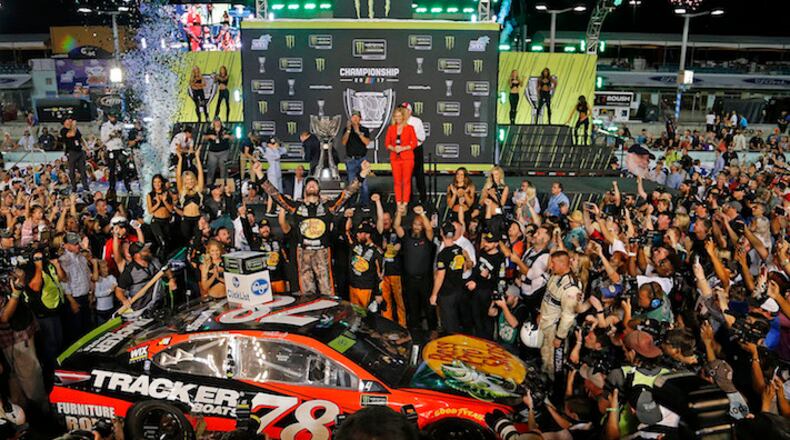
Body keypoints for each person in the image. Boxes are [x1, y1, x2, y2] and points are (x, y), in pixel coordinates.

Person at [255, 159, 370, 296]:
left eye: (314, 184)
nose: (311, 185)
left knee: (326, 289)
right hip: (303, 252)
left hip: (322, 251)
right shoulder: (296, 207)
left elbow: (347, 194)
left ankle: (328, 308)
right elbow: (276, 196)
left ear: (319, 191)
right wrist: (259, 174)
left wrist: (362, 174)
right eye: (308, 184)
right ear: (304, 191)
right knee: (307, 292)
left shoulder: (328, 207)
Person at [0, 272, 48, 415]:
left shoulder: (5, 275)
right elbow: (3, 317)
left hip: (25, 332)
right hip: (15, 340)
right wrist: (16, 293)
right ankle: (42, 416)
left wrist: (19, 278)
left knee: (17, 379)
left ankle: (25, 415)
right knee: (31, 381)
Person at [538, 251, 581, 377]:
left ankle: (554, 385)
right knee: (545, 355)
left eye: (553, 263)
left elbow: (568, 316)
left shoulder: (571, 288)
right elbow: (547, 298)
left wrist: (560, 337)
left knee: (553, 362)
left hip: (555, 329)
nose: (550, 266)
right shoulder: (556, 276)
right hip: (546, 323)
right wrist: (541, 313)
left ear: (563, 264)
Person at [394, 204, 435, 335]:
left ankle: (433, 331)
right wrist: (399, 213)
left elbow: (429, 229)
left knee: (429, 307)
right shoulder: (406, 236)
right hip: (410, 280)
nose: (417, 227)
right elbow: (396, 226)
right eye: (415, 224)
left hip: (425, 280)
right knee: (412, 308)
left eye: (420, 225)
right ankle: (414, 333)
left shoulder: (427, 238)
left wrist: (422, 214)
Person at [430, 222, 469, 334]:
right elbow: (465, 268)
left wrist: (434, 294)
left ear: (442, 233)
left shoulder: (443, 254)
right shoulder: (460, 249)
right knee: (457, 321)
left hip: (446, 293)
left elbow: (440, 276)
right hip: (458, 290)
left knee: (449, 325)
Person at [116, 242, 176, 312]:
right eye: (145, 251)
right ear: (137, 255)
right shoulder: (130, 271)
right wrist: (124, 300)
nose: (148, 251)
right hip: (141, 307)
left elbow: (166, 269)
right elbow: (119, 290)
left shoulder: (155, 261)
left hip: (160, 301)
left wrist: (171, 279)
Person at [373, 194, 405, 326]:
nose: (385, 221)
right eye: (383, 219)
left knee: (400, 301)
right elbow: (380, 220)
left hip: (396, 272)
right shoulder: (378, 233)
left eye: (387, 219)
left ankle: (403, 325)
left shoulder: (397, 232)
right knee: (386, 302)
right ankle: (388, 326)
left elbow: (402, 244)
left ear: (391, 220)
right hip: (383, 275)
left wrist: (398, 247)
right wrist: (378, 202)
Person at [59, 231, 93, 342]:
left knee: (87, 328)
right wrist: (72, 302)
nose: (78, 245)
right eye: (74, 244)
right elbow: (64, 284)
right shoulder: (64, 260)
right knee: (76, 331)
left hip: (85, 296)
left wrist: (90, 292)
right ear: (66, 245)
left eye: (78, 243)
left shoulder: (81, 257)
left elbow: (87, 275)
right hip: (74, 299)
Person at [385, 107, 418, 210]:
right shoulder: (391, 128)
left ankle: (405, 203)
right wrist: (394, 149)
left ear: (403, 117)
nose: (397, 118)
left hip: (407, 158)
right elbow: (387, 143)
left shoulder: (410, 128)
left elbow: (414, 143)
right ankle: (398, 203)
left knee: (406, 181)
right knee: (397, 181)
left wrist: (403, 148)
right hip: (395, 158)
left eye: (399, 116)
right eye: (396, 116)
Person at [346, 220, 383, 310]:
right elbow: (347, 232)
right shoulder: (355, 245)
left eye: (360, 233)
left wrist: (378, 293)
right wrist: (349, 217)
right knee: (354, 313)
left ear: (368, 235)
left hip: (366, 289)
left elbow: (380, 275)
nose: (357, 235)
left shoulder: (376, 252)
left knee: (365, 314)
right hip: (353, 286)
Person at [341, 111, 371, 206]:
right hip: (351, 160)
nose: (354, 119)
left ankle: (365, 204)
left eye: (357, 117)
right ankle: (352, 205)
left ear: (360, 119)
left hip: (362, 159)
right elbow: (343, 142)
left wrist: (358, 132)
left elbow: (367, 142)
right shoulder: (346, 130)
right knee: (351, 184)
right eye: (353, 117)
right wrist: (348, 130)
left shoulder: (364, 129)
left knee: (364, 184)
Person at [175, 146, 205, 243]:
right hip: (186, 219)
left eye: (191, 179)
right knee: (186, 241)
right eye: (187, 179)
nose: (190, 181)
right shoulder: (182, 190)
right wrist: (180, 159)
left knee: (197, 241)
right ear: (184, 181)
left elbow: (200, 173)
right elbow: (178, 176)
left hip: (197, 218)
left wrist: (197, 157)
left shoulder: (198, 189)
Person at [402, 102, 427, 203]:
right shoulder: (398, 121)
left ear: (409, 111)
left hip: (415, 150)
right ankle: (408, 198)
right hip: (404, 150)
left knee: (419, 174)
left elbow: (422, 137)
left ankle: (423, 198)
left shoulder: (416, 121)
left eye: (405, 110)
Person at [145, 174, 174, 258]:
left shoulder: (167, 193)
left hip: (166, 221)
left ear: (162, 183)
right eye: (155, 182)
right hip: (156, 221)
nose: (157, 184)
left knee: (167, 243)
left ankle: (165, 259)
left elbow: (171, 210)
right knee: (162, 242)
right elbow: (150, 211)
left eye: (159, 182)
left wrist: (164, 201)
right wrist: (158, 203)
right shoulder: (150, 195)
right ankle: (159, 260)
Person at [60, 117, 89, 193]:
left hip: (79, 150)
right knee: (72, 171)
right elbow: (71, 134)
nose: (70, 121)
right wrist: (73, 126)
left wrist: (86, 147)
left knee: (83, 170)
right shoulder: (63, 130)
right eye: (68, 120)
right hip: (71, 152)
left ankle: (85, 187)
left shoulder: (75, 129)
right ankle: (74, 187)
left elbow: (80, 138)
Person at [100, 113, 128, 193]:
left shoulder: (121, 124)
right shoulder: (105, 126)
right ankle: (112, 187)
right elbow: (103, 139)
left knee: (124, 169)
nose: (113, 118)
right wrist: (110, 135)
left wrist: (121, 134)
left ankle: (127, 187)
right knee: (111, 169)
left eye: (115, 116)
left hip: (120, 148)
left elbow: (126, 136)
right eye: (112, 116)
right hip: (111, 149)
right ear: (109, 117)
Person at [203, 117, 232, 185]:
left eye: (218, 121)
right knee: (211, 168)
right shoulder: (210, 130)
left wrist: (228, 136)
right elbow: (204, 137)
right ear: (213, 122)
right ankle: (209, 185)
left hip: (224, 151)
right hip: (213, 152)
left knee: (223, 169)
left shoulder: (225, 129)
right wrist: (210, 136)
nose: (217, 123)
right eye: (216, 122)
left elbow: (234, 137)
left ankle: (224, 185)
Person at [262, 137, 287, 216]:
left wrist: (278, 146)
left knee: (279, 191)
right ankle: (269, 210)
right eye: (272, 143)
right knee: (273, 192)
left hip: (278, 172)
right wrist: (274, 148)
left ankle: (278, 208)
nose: (273, 145)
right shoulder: (268, 150)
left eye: (274, 143)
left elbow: (285, 150)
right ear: (268, 144)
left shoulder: (275, 149)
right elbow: (277, 156)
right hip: (272, 173)